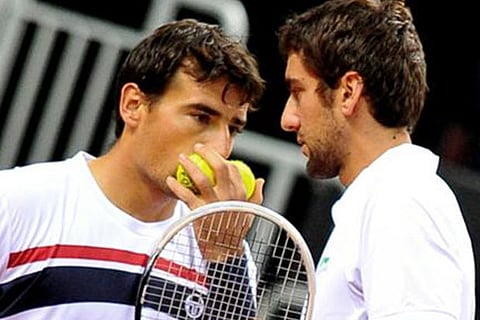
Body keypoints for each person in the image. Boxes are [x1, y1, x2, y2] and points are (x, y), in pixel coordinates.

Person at [0, 18, 266, 319]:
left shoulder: (226, 254)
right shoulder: (13, 203)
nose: (221, 147)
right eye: (201, 117)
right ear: (133, 104)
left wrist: (225, 261)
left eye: (233, 128)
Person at [277, 0, 475, 319]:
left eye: (298, 92)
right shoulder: (386, 199)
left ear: (348, 92)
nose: (288, 119)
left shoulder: (401, 201)